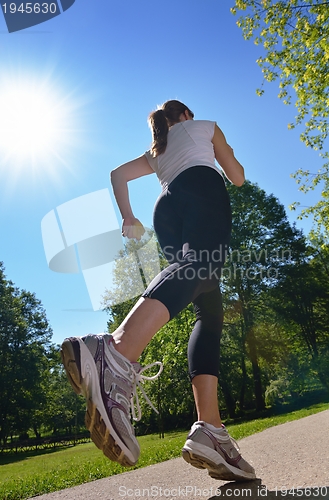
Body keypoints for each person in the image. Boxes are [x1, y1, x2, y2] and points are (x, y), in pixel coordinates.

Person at [61, 99, 256, 482]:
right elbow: (237, 177)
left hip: (164, 209)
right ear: (186, 115)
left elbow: (117, 174)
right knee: (199, 268)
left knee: (208, 310)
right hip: (202, 186)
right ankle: (115, 352)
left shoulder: (157, 149)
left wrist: (128, 217)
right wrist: (225, 155)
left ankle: (210, 428)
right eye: (190, 115)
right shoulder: (205, 127)